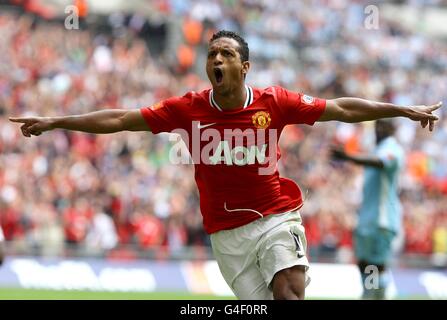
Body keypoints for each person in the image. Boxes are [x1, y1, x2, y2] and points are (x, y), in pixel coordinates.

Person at [9, 30, 442, 300]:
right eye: (212, 54)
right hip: (226, 234)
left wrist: (402, 109)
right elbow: (122, 119)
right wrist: (55, 121)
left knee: (290, 290)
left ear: (244, 66)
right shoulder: (188, 108)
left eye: (226, 54)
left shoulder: (275, 102)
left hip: (274, 216)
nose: (216, 60)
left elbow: (342, 109)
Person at [331, 119, 404, 299]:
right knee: (365, 264)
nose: (378, 129)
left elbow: (380, 162)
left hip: (382, 219)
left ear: (392, 129)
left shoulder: (392, 149)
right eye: (377, 125)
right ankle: (371, 293)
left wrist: (349, 157)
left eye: (383, 125)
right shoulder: (377, 149)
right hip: (368, 219)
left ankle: (376, 294)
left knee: (377, 266)